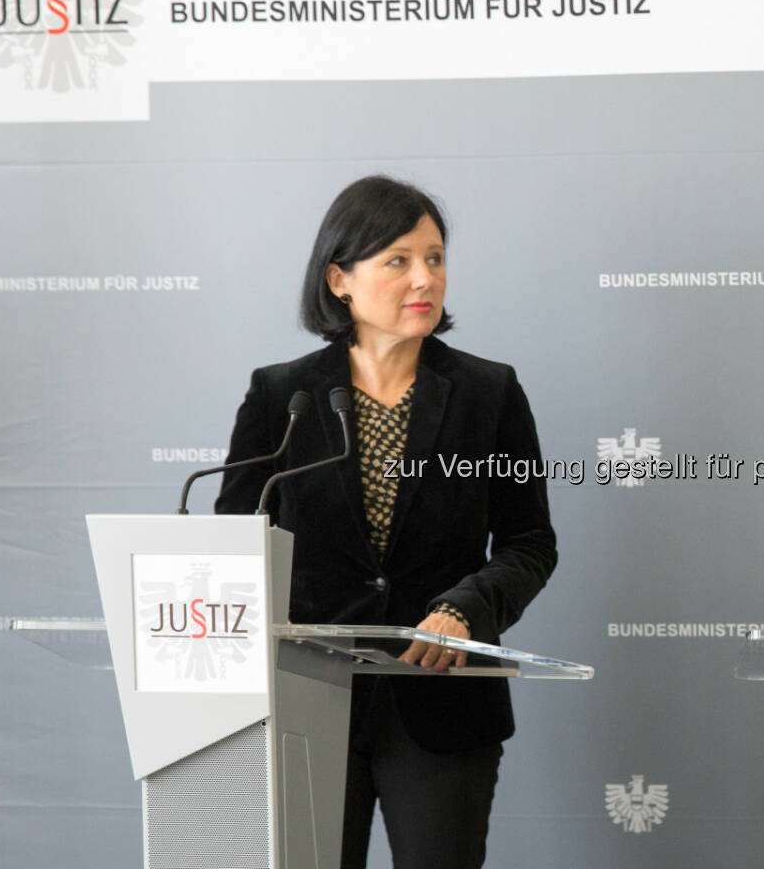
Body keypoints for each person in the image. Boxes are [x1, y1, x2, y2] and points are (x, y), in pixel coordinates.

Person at [216, 175, 557, 869]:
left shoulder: (489, 393)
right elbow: (230, 546)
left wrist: (467, 607)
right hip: (305, 698)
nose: (423, 278)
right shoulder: (284, 396)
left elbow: (529, 543)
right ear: (340, 278)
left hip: (439, 699)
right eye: (397, 259)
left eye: (434, 257)